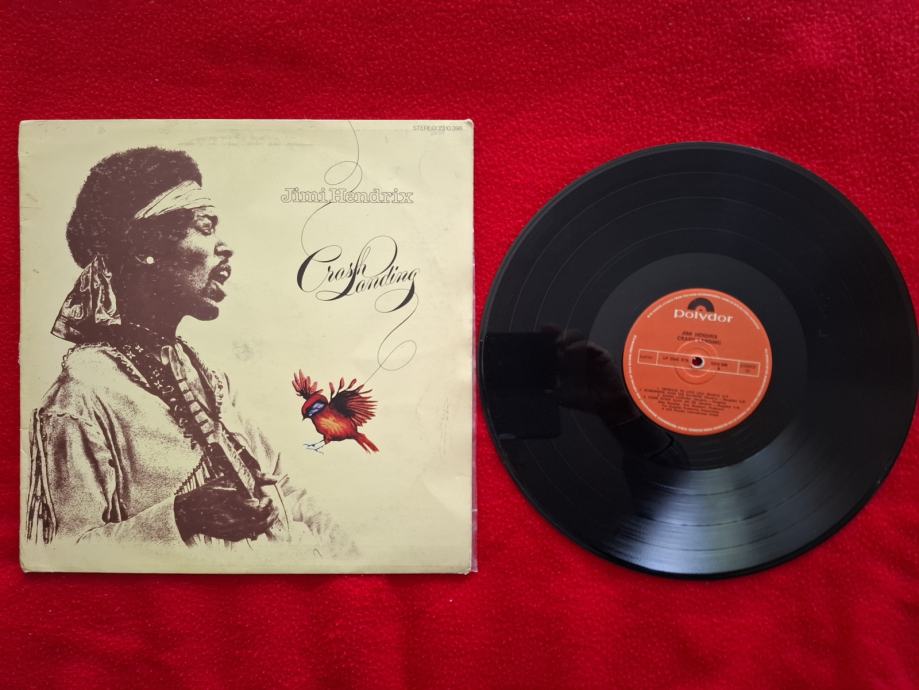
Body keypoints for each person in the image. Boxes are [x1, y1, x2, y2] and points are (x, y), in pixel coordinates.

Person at [26, 146, 354, 556]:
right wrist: (182, 516)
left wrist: (353, 557)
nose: (224, 247)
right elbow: (61, 554)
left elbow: (285, 489)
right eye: (205, 226)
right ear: (144, 247)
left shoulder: (211, 382)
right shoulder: (83, 393)